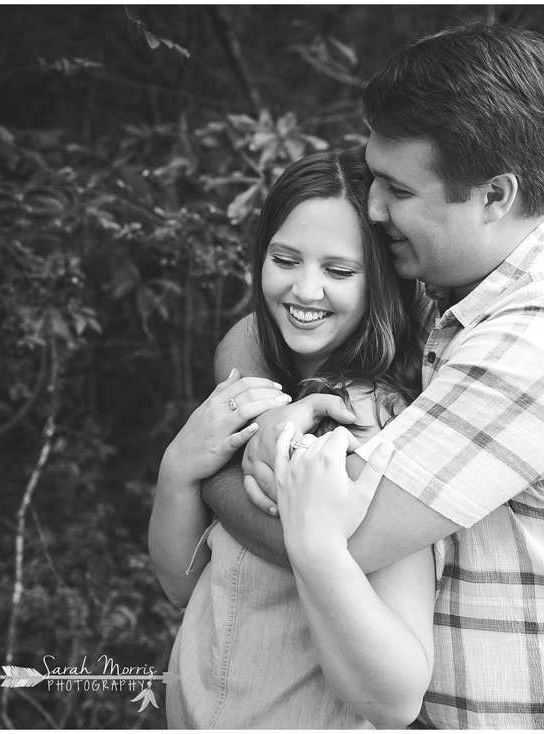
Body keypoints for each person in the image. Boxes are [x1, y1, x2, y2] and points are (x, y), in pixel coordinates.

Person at [207, 23, 544, 729]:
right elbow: (264, 329)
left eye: (398, 190)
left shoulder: (543, 337)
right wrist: (264, 403)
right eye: (374, 179)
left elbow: (335, 535)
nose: (373, 209)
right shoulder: (461, 280)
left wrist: (206, 459)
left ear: (494, 195)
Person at [148, 146, 435, 729]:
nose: (305, 290)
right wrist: (178, 468)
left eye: (339, 270)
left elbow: (399, 693)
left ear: (380, 280)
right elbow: (182, 583)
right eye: (285, 259)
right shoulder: (257, 388)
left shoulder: (367, 425)